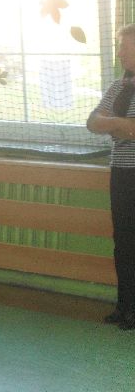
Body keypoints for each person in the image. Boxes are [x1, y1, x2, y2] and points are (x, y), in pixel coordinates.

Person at [87, 23, 135, 331]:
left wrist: (114, 124)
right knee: (123, 240)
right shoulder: (118, 87)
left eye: (125, 47)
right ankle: (125, 305)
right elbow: (92, 121)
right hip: (121, 173)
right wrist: (121, 124)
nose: (119, 53)